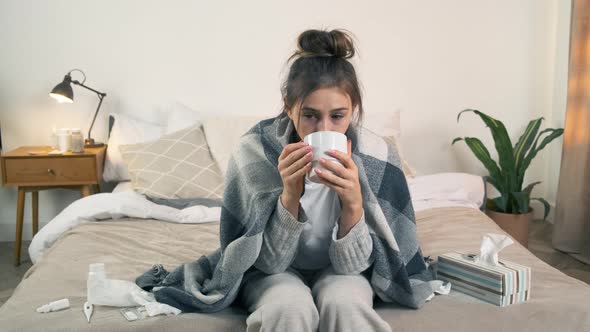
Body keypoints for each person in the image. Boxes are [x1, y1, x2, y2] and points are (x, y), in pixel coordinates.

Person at [237, 28, 393, 332]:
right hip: (272, 274)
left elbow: (352, 268)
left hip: (340, 271)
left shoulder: (375, 155)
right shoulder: (254, 150)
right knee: (288, 307)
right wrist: (289, 196)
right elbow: (269, 265)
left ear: (354, 110)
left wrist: (353, 205)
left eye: (338, 116)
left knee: (345, 305)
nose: (324, 128)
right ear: (288, 106)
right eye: (309, 115)